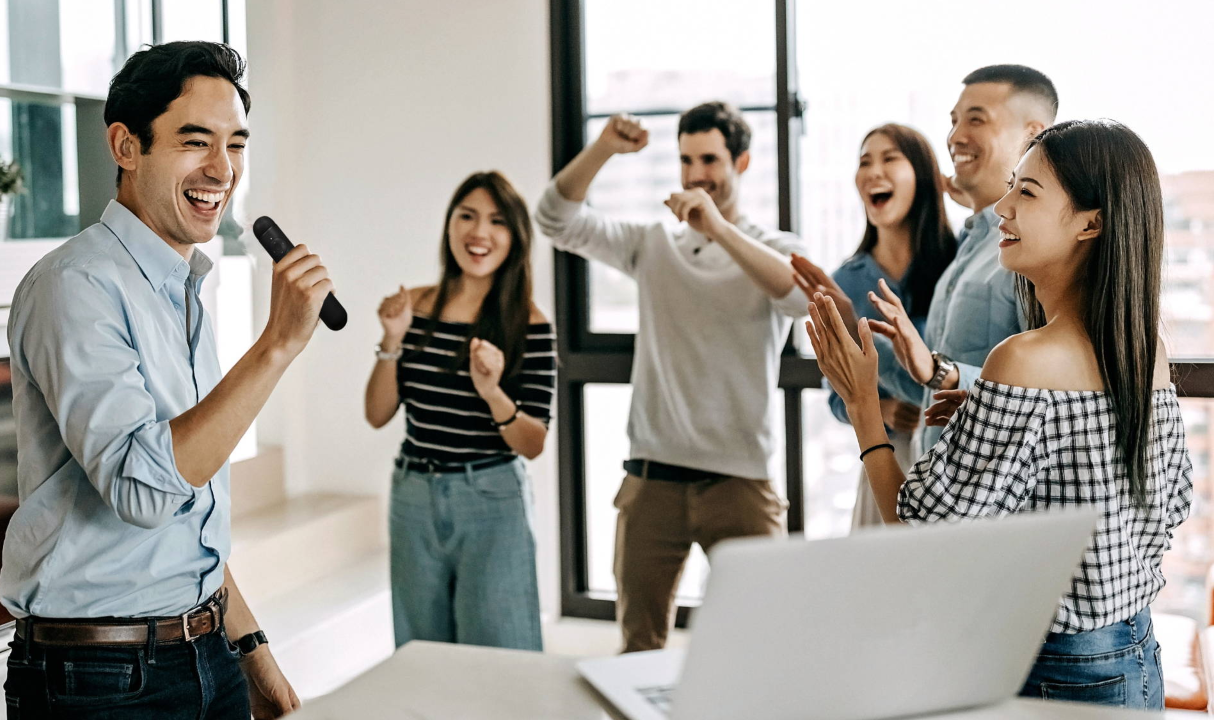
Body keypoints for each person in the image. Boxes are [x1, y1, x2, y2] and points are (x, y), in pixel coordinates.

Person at [807, 119, 1193, 710]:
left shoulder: (1023, 359)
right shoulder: (1145, 348)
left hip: (1048, 665)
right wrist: (986, 409)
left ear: (1092, 222)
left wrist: (863, 407)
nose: (1002, 209)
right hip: (1134, 653)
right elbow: (1168, 502)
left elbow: (918, 533)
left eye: (1027, 193)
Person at [1, 42, 317, 719]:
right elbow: (142, 490)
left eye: (236, 144)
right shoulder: (74, 287)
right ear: (125, 146)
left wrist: (252, 653)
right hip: (100, 680)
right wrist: (277, 346)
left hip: (206, 651)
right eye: (194, 141)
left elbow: (186, 510)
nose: (222, 169)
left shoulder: (184, 287)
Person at [536, 101, 805, 652]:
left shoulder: (772, 248)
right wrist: (604, 147)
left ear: (743, 162)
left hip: (740, 482)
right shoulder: (652, 245)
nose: (696, 174)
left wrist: (720, 228)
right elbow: (553, 219)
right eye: (686, 160)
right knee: (639, 645)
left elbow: (802, 297)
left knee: (763, 642)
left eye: (709, 158)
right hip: (652, 479)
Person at [793, 65, 1058, 455]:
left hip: (998, 500)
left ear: (1031, 136)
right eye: (953, 121)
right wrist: (854, 329)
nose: (955, 136)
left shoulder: (1031, 250)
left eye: (976, 119)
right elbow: (925, 384)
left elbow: (1051, 389)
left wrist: (942, 373)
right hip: (940, 489)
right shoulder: (967, 255)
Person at [364, 171, 554, 651]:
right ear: (449, 225)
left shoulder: (528, 322)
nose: (479, 232)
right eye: (466, 216)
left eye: (496, 221)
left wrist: (492, 392)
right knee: (421, 652)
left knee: (500, 654)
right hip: (413, 495)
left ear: (516, 237)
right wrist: (392, 338)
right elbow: (377, 412)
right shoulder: (416, 306)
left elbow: (533, 443)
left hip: (491, 498)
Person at [813, 124, 956, 527]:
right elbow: (836, 395)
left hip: (958, 463)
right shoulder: (845, 282)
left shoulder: (960, 262)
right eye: (864, 162)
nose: (874, 171)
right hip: (885, 457)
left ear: (922, 175)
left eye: (890, 158)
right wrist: (884, 410)